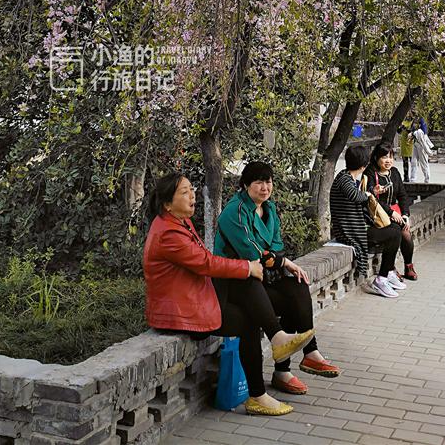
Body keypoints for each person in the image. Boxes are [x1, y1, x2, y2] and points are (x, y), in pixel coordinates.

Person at [143, 173, 316, 417]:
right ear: (167, 204)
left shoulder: (178, 221)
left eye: (192, 189)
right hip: (182, 312)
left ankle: (274, 354)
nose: (192, 195)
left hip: (196, 298)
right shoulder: (168, 233)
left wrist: (249, 269)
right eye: (184, 192)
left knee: (251, 294)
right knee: (247, 309)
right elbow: (205, 263)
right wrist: (247, 267)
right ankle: (260, 390)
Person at [215, 161, 340, 396]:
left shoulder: (269, 209)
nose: (265, 187)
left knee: (296, 288)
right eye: (258, 182)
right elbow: (252, 253)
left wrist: (276, 259)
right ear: (245, 185)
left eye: (268, 181)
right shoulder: (235, 212)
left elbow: (276, 248)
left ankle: (304, 358)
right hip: (236, 285)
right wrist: (281, 261)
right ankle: (281, 362)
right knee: (281, 288)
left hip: (261, 279)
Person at [329, 144, 405, 298]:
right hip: (350, 232)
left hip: (357, 227)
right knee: (394, 233)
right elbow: (356, 196)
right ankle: (382, 278)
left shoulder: (348, 177)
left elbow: (359, 195)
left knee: (396, 229)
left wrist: (371, 192)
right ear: (364, 164)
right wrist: (370, 195)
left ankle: (388, 272)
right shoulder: (344, 179)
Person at [368, 143, 418, 281]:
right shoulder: (370, 173)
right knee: (395, 232)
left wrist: (405, 214)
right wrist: (390, 212)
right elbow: (371, 198)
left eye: (390, 157)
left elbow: (402, 195)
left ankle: (408, 267)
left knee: (406, 232)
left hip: (396, 210)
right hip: (379, 213)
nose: (388, 160)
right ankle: (390, 268)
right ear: (377, 158)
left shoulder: (394, 173)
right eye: (384, 157)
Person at [397, 118, 415, 182]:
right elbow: (398, 131)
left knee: (413, 162)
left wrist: (406, 129)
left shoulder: (414, 121)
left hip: (411, 144)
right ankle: (406, 177)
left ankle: (413, 177)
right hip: (404, 143)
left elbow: (412, 131)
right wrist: (401, 127)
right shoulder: (403, 121)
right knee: (405, 162)